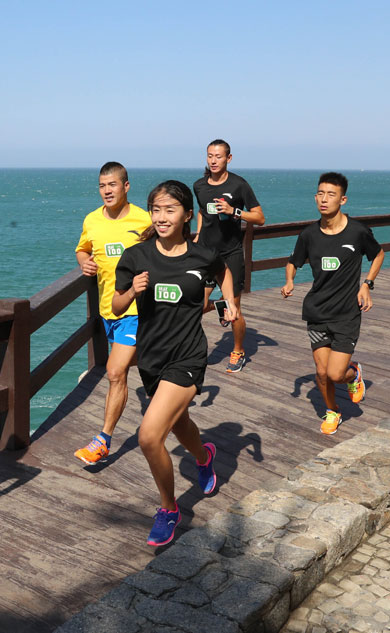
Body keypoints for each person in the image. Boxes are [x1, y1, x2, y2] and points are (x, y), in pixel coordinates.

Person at [113, 180, 237, 546]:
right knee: (178, 421)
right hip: (151, 359)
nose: (162, 217)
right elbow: (117, 307)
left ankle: (170, 508)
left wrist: (229, 302)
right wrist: (133, 291)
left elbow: (224, 272)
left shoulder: (202, 255)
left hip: (187, 355)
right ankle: (204, 455)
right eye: (156, 210)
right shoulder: (136, 257)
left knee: (150, 436)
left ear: (187, 215)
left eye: (170, 210)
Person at [281, 172, 384, 434]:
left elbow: (379, 254)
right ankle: (332, 411)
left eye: (331, 194)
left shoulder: (358, 232)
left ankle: (354, 373)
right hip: (317, 311)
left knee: (336, 374)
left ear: (343, 199)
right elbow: (294, 261)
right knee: (322, 372)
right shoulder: (308, 234)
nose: (324, 199)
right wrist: (290, 280)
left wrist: (367, 284)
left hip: (347, 314)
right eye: (320, 193)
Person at [73, 162, 151, 465]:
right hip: (109, 309)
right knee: (133, 369)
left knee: (116, 372)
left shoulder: (144, 220)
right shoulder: (92, 220)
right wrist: (83, 261)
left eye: (113, 185)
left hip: (138, 309)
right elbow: (82, 248)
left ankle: (102, 440)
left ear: (126, 186)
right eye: (102, 185)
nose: (107, 190)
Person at [192, 139, 265, 373]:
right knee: (198, 305)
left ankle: (238, 350)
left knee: (234, 309)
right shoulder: (199, 185)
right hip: (206, 254)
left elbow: (260, 218)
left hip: (230, 254)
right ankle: (221, 306)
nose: (213, 160)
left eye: (218, 156)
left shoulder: (239, 185)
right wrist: (198, 235)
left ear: (229, 158)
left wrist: (233, 211)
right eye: (210, 156)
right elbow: (203, 211)